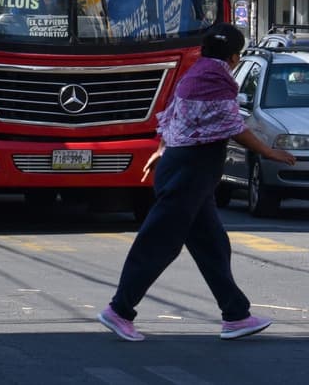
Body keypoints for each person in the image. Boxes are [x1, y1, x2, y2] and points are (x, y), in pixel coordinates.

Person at [97, 23, 297, 342]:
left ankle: (235, 315)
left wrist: (162, 151)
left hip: (188, 169)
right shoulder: (216, 77)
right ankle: (119, 309)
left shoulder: (195, 72)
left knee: (212, 245)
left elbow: (175, 115)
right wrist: (269, 151)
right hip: (190, 169)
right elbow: (232, 125)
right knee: (160, 242)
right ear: (234, 56)